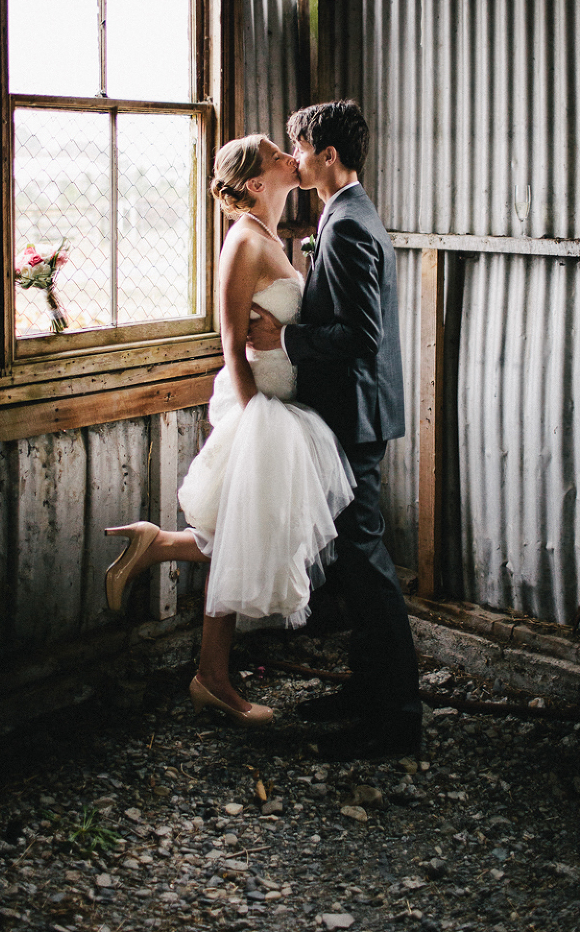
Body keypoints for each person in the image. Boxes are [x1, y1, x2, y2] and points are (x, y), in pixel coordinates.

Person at [104, 134, 354, 730]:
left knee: (245, 539)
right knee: (248, 538)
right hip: (262, 411)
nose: (286, 155)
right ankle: (212, 677)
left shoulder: (270, 235)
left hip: (280, 406)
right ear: (254, 183)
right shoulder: (243, 241)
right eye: (274, 154)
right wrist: (254, 426)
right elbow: (232, 342)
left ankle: (160, 551)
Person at [248, 100, 423, 758]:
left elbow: (359, 336)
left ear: (326, 154)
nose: (294, 157)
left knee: (367, 564)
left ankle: (397, 719)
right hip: (355, 412)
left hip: (354, 416)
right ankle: (365, 691)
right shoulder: (349, 212)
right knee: (353, 563)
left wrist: (286, 338)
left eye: (300, 145)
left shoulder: (346, 225)